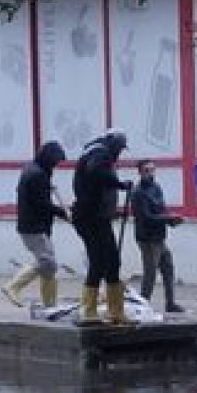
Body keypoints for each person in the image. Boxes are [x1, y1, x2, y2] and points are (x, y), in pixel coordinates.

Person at [71, 128, 133, 326]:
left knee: (111, 261)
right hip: (91, 217)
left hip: (96, 217)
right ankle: (89, 310)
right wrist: (119, 184)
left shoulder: (94, 151)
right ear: (112, 142)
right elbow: (95, 171)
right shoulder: (100, 153)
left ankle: (115, 311)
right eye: (120, 148)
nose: (119, 153)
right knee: (99, 261)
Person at [0, 141, 68, 309]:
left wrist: (47, 186)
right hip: (34, 227)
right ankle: (13, 286)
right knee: (48, 263)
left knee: (48, 268)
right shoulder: (38, 175)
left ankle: (50, 304)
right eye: (55, 161)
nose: (56, 165)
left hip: (31, 224)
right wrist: (63, 213)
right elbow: (42, 204)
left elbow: (33, 194)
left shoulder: (32, 170)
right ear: (48, 158)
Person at [128, 159, 184, 314]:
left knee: (168, 267)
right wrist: (168, 219)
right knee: (150, 272)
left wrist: (172, 220)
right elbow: (146, 217)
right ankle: (143, 303)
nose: (150, 174)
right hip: (147, 238)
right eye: (146, 170)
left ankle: (170, 303)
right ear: (140, 172)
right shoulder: (138, 192)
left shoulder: (156, 187)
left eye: (152, 170)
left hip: (159, 236)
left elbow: (162, 209)